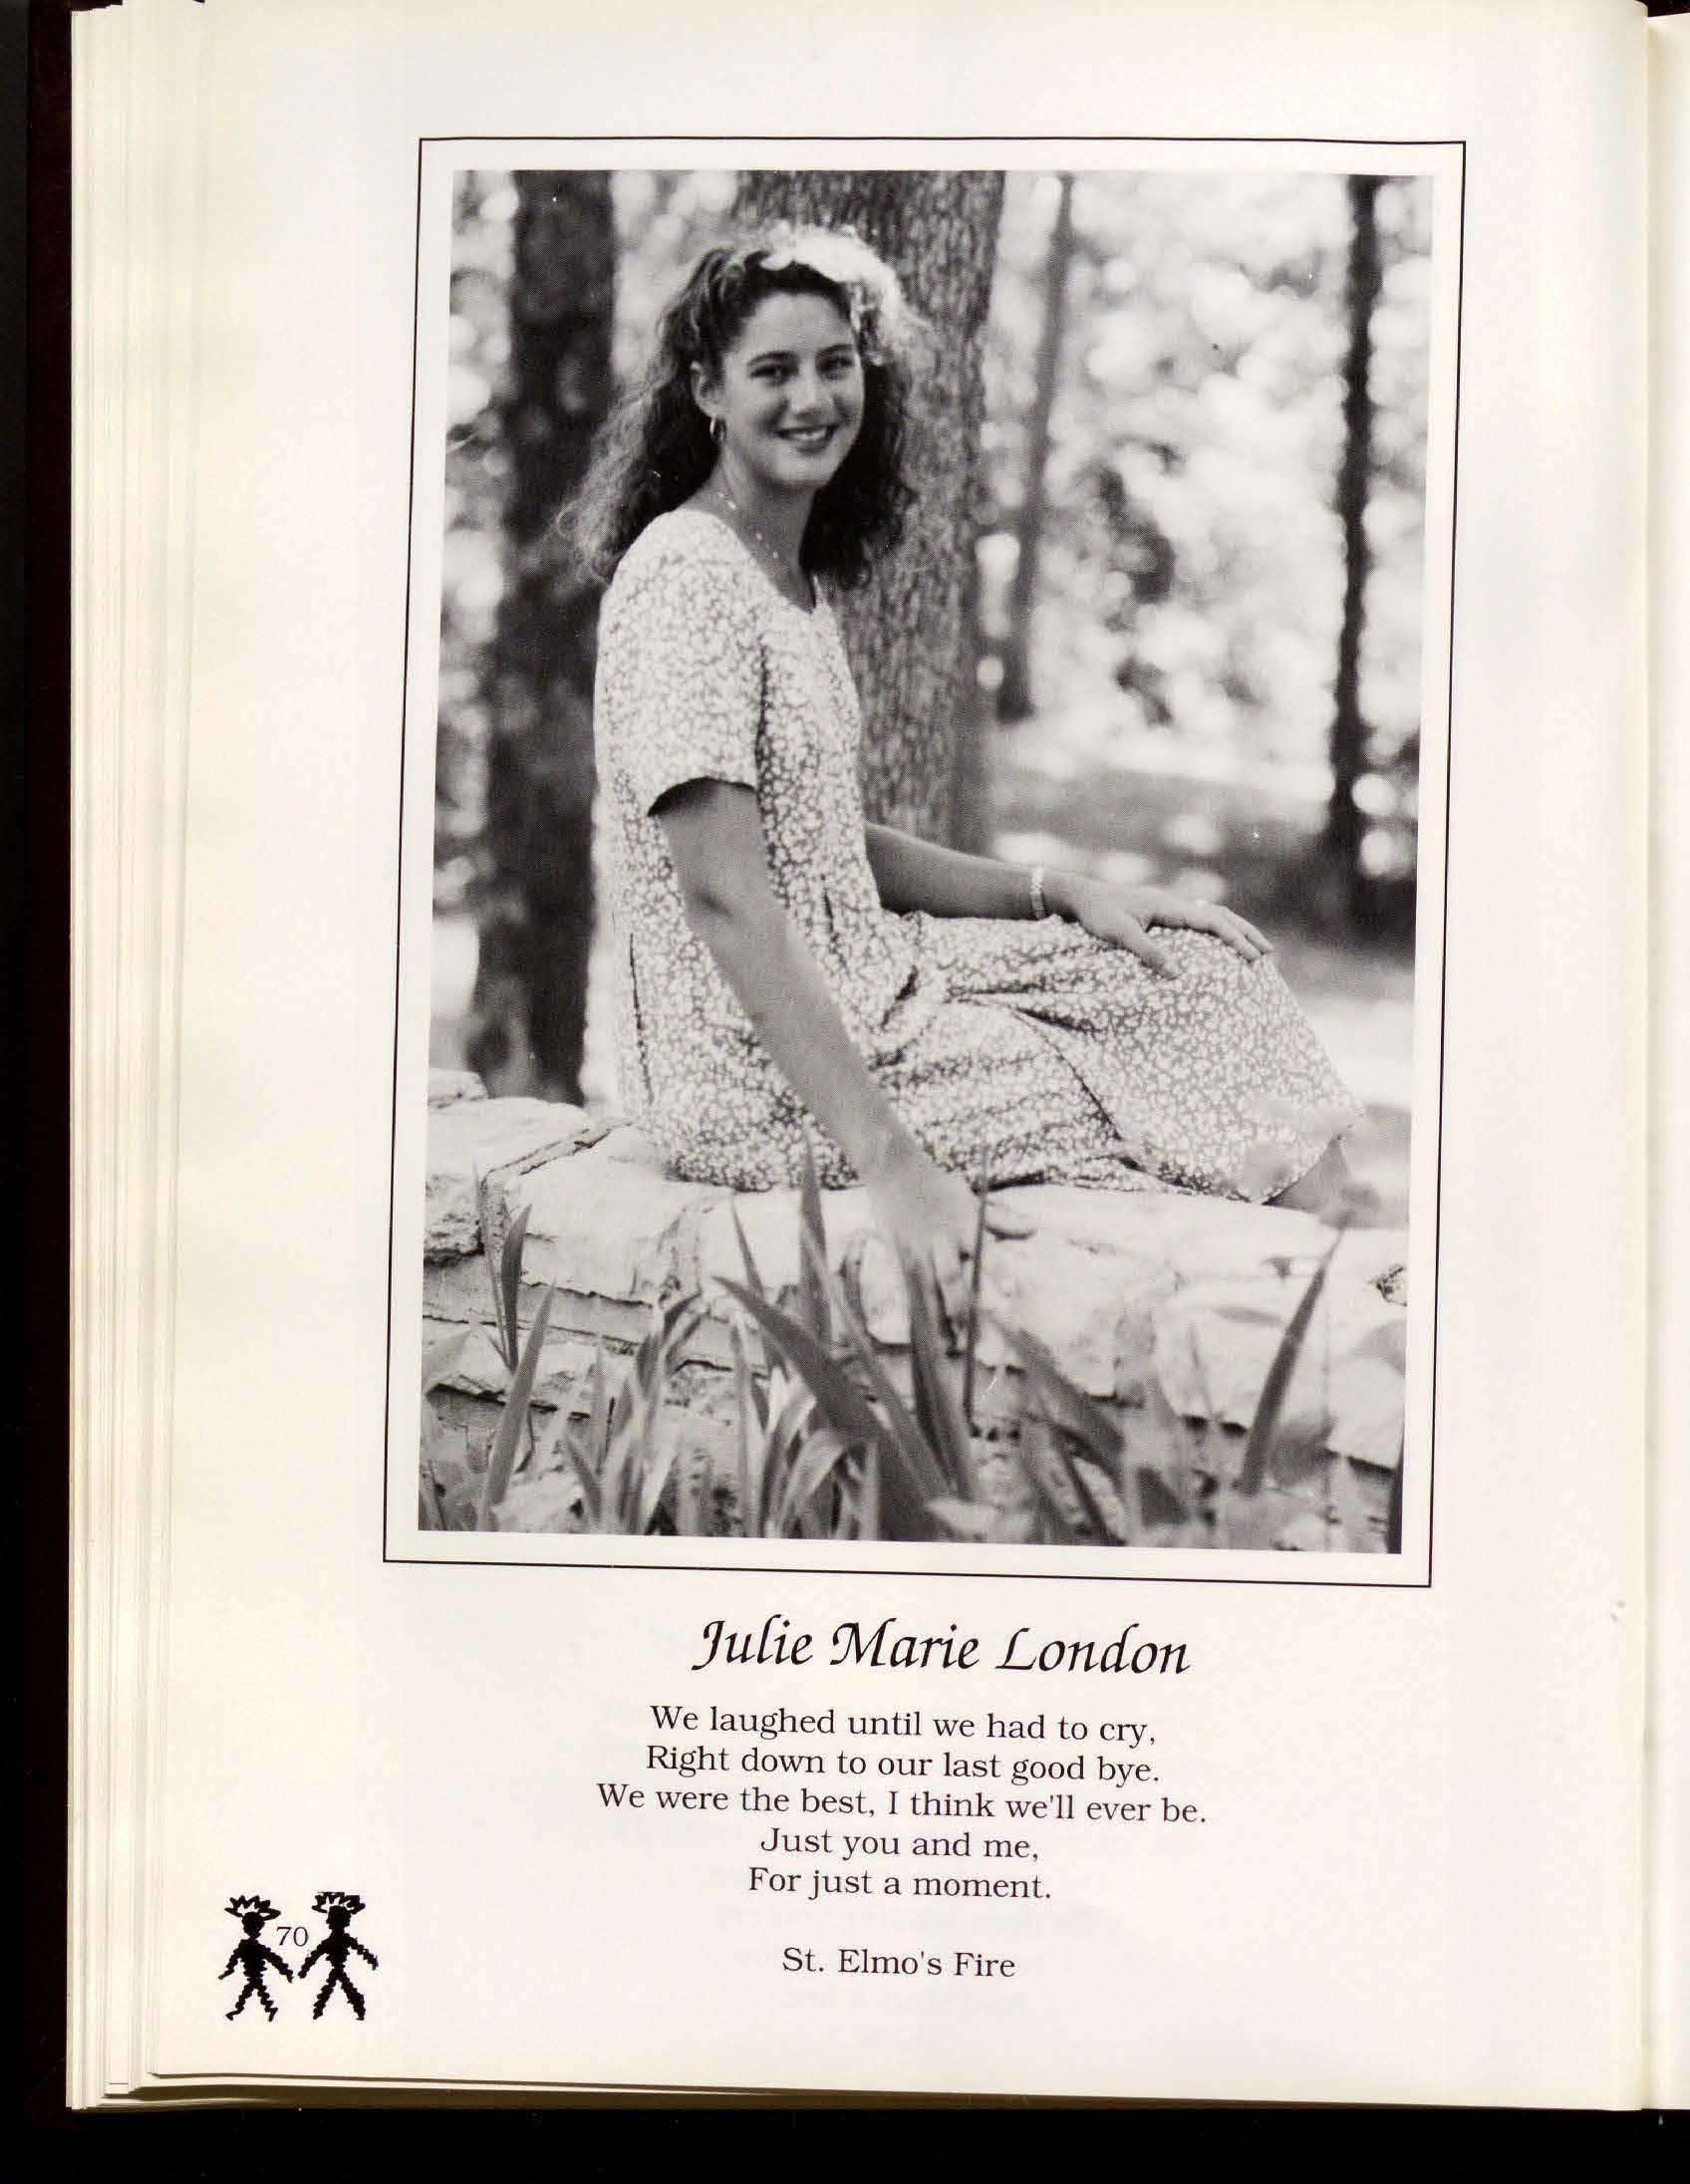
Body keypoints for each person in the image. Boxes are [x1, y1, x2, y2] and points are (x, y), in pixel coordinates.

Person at [574, 224, 1363, 1314]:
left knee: (1197, 977)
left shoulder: (780, 573)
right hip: (744, 1070)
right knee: (1136, 1087)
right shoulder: (685, 578)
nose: (812, 399)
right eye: (773, 371)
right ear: (708, 389)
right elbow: (724, 894)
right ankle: (1325, 1322)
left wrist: (1058, 892)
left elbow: (820, 843)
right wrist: (891, 1163)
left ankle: (1354, 1290)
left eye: (834, 364)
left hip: (872, 974)